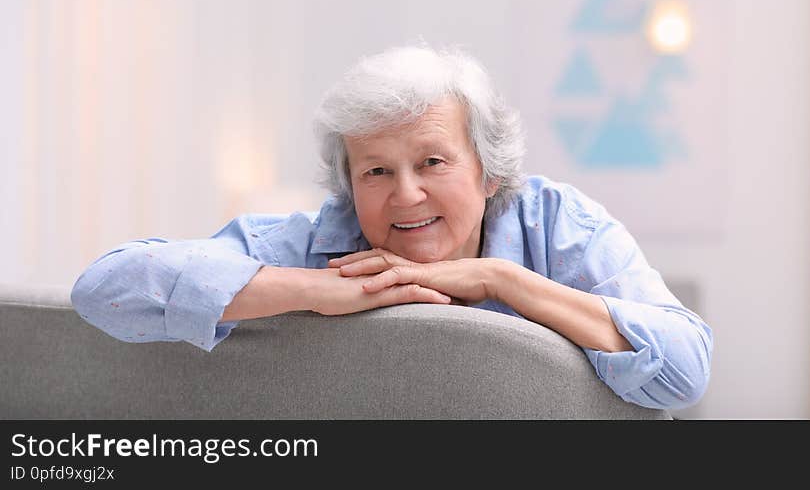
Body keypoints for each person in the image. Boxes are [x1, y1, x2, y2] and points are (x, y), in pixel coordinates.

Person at [71, 44, 712, 410]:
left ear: (489, 172)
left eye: (432, 162)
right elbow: (106, 290)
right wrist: (313, 289)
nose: (406, 196)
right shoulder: (319, 240)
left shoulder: (558, 225)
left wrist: (502, 279)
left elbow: (684, 371)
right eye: (376, 171)